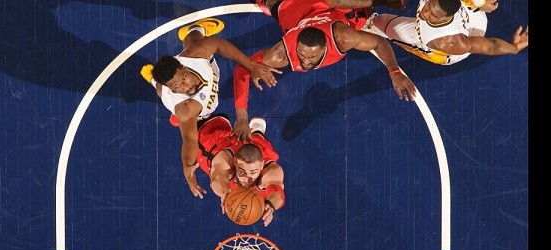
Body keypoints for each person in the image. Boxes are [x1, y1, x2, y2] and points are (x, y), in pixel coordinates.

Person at [232, 0, 418, 140]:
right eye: (302, 55)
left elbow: (378, 42)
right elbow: (242, 69)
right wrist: (241, 116)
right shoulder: (280, 54)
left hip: (333, 9)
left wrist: (395, 72)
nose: (305, 62)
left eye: (312, 57)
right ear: (296, 45)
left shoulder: (343, 38)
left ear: (325, 48)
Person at [139, 18, 282, 195]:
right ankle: (154, 80)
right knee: (162, 93)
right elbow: (190, 140)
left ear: (183, 67)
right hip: (196, 113)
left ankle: (194, 28)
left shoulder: (195, 55)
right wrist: (188, 168)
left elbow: (219, 44)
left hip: (201, 72)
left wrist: (251, 65)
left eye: (183, 80)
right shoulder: (185, 107)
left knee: (193, 41)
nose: (184, 87)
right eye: (176, 87)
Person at [363, 0, 529, 65]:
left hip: (457, 41)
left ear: (447, 17)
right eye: (428, 7)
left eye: (433, 15)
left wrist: (514, 48)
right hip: (471, 13)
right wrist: (481, 2)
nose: (424, 14)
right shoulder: (435, 8)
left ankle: (368, 24)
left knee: (381, 22)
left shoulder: (446, 41)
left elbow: (490, 47)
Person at [191, 115, 285, 227]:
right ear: (235, 162)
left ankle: (257, 131)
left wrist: (271, 205)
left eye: (253, 172)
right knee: (195, 128)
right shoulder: (224, 160)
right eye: (242, 171)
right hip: (217, 140)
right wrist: (224, 192)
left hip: (258, 146)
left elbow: (277, 193)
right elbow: (217, 179)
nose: (248, 178)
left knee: (259, 140)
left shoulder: (272, 171)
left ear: (261, 166)